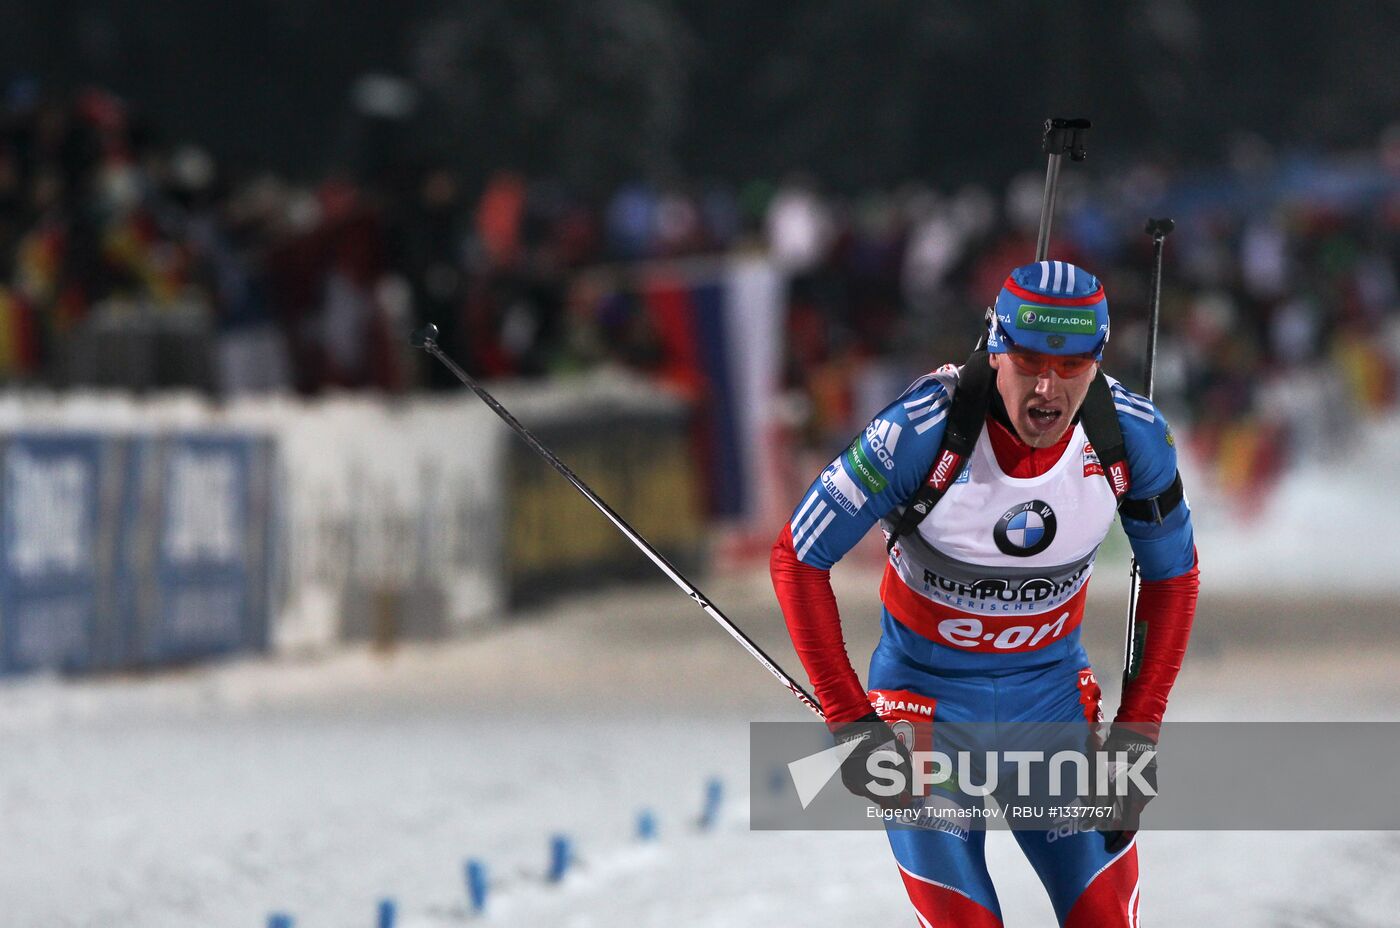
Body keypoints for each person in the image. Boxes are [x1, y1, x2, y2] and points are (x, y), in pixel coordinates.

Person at [770, 260, 1199, 926]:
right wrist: (848, 716)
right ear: (995, 348)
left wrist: (1138, 734)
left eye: (1072, 366)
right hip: (925, 712)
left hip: (1050, 710)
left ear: (1098, 360)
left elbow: (1173, 575)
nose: (1048, 388)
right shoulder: (920, 431)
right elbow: (798, 557)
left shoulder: (1130, 435)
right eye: (1029, 361)